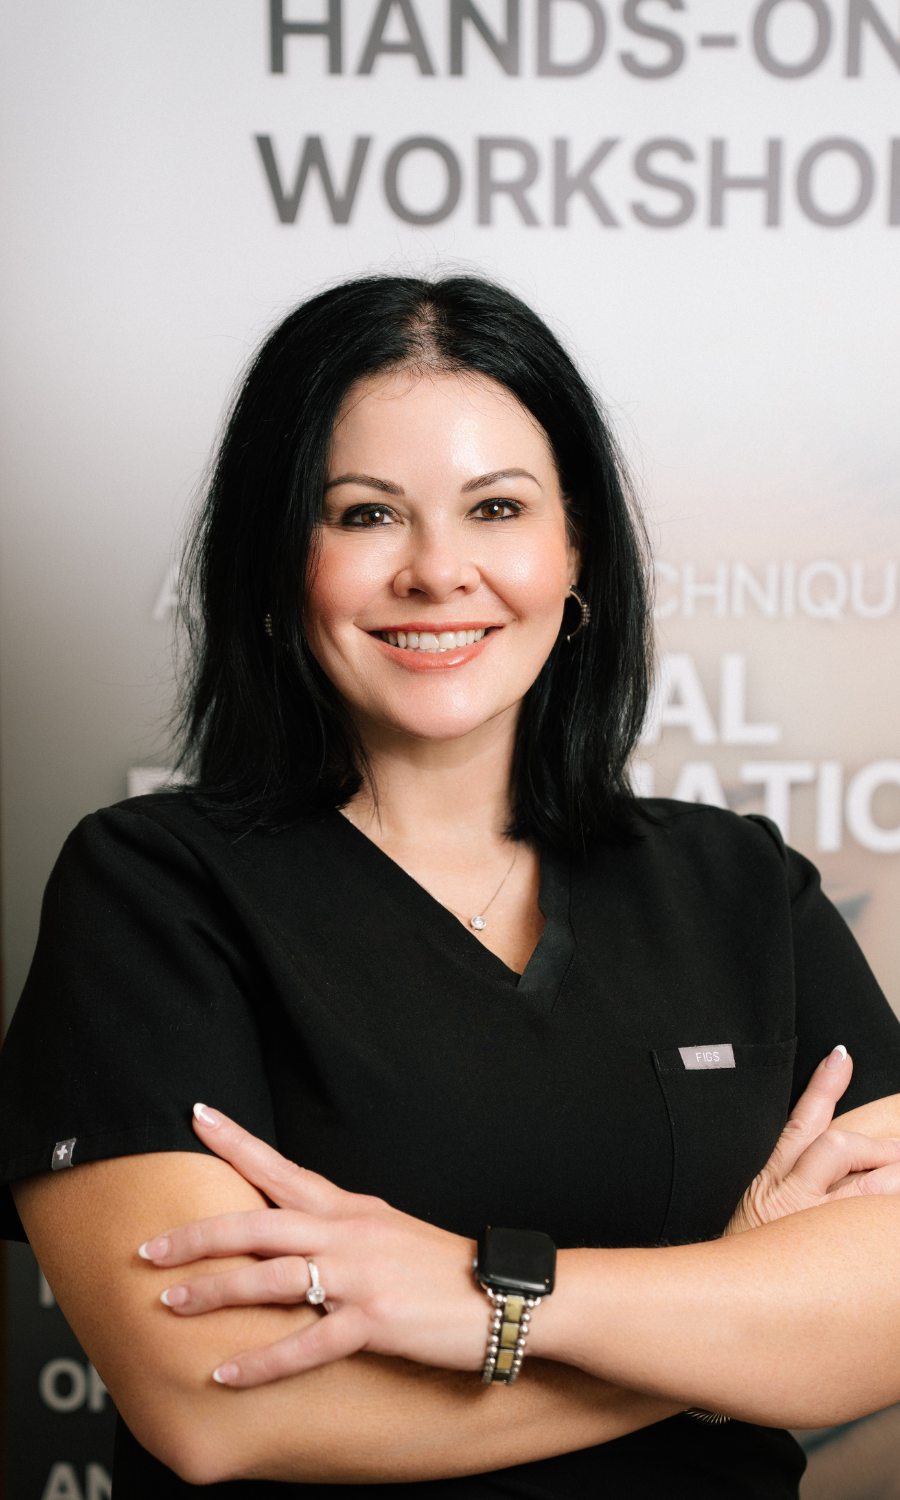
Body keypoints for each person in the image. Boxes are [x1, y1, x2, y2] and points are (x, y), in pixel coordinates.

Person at [3, 275, 900, 1500]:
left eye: (497, 508)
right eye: (367, 515)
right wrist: (722, 1328)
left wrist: (487, 1299)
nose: (438, 571)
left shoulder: (742, 888)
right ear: (277, 564)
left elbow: (886, 1313)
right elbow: (215, 1406)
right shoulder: (155, 892)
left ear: (575, 549)